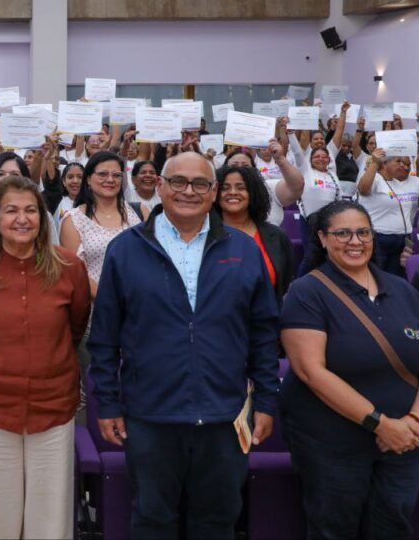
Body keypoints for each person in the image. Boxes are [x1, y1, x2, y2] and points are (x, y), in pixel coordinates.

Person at [89, 152, 280, 539]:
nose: (188, 191)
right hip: (151, 415)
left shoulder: (244, 250)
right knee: (152, 520)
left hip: (224, 416)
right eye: (178, 182)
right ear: (160, 187)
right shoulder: (125, 249)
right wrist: (107, 402)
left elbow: (263, 333)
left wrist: (266, 400)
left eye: (199, 184)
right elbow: (105, 337)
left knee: (217, 522)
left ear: (214, 192)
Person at [281, 201, 419, 538]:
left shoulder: (402, 289)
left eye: (363, 232)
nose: (355, 241)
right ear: (322, 238)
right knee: (335, 528)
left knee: (393, 526)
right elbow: (310, 371)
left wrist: (416, 422)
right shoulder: (306, 292)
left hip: (405, 442)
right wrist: (381, 424)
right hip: (332, 444)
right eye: (343, 233)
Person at [0, 176, 90, 538]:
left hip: (52, 406)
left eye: (31, 210)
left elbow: (74, 329)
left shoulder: (69, 267)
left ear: (43, 218)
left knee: (51, 518)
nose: (22, 219)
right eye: (11, 210)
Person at [61, 152, 146, 297]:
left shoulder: (140, 211)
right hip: (99, 304)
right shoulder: (73, 220)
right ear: (88, 179)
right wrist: (113, 302)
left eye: (117, 175)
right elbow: (77, 274)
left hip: (141, 302)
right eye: (102, 174)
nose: (110, 179)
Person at [214, 165, 295, 303]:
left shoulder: (277, 237)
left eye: (241, 188)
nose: (232, 192)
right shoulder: (204, 235)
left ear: (253, 193)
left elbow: (284, 281)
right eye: (225, 188)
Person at [358, 148, 419, 277]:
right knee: (376, 277)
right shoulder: (375, 179)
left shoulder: (397, 183)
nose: (402, 165)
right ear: (384, 164)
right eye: (398, 161)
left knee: (395, 279)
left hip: (401, 240)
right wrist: (375, 163)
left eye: (404, 163)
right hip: (380, 239)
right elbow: (363, 189)